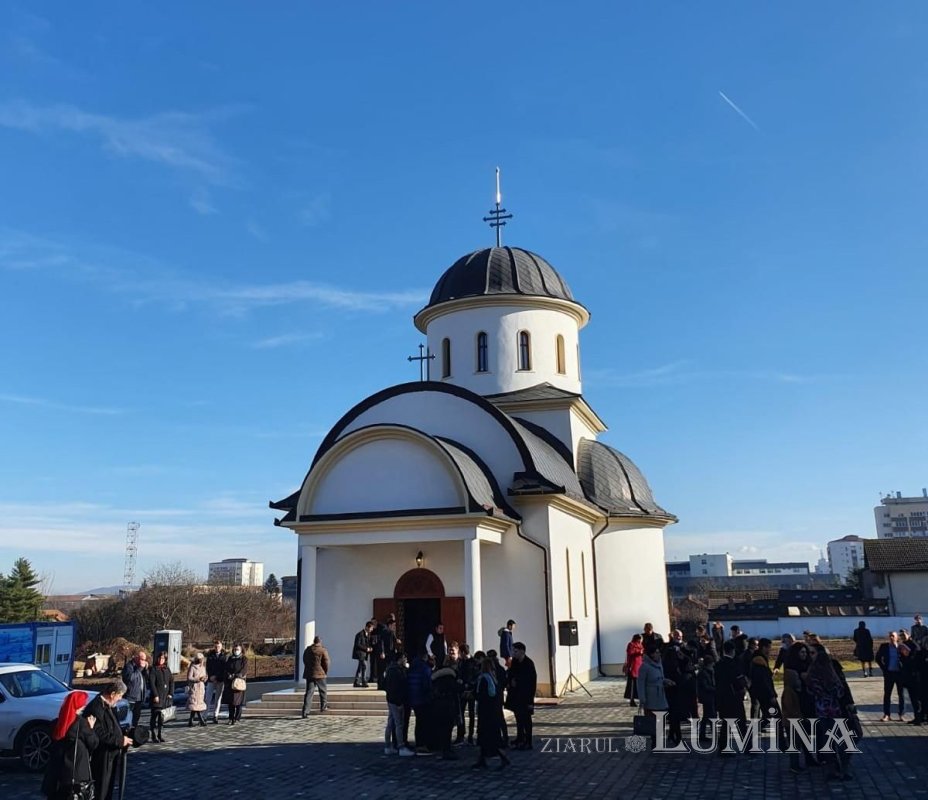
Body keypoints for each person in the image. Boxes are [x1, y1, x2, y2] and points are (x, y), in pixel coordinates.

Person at [805, 645, 854, 781]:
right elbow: (840, 692)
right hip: (835, 710)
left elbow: (811, 691)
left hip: (821, 710)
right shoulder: (832, 675)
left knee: (828, 741)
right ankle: (843, 769)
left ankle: (832, 769)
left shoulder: (812, 675)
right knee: (841, 741)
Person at [42, 690, 99, 800]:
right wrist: (91, 728)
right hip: (76, 773)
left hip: (57, 772)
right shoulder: (81, 724)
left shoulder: (56, 723)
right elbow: (94, 743)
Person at [84, 680, 133, 800]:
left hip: (111, 755)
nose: (120, 698)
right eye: (120, 695)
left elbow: (114, 726)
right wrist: (119, 741)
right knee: (102, 789)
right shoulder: (96, 708)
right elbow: (99, 733)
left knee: (109, 788)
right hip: (102, 756)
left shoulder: (109, 705)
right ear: (112, 694)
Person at [781, 642, 816, 773]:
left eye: (805, 652)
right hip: (795, 704)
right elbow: (795, 687)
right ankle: (794, 764)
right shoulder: (791, 669)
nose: (804, 655)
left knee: (806, 733)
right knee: (795, 735)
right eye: (801, 652)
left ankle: (809, 758)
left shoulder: (808, 665)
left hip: (807, 702)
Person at [473, 657, 511, 769]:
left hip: (485, 712)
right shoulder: (493, 679)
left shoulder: (483, 679)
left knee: (488, 737)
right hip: (493, 711)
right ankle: (482, 759)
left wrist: (473, 694)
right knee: (487, 737)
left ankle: (503, 758)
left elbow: (482, 695)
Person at [714, 640, 747, 756]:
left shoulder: (718, 664)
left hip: (722, 698)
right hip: (734, 697)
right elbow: (738, 680)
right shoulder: (733, 664)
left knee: (726, 724)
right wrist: (743, 689)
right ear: (732, 651)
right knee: (741, 723)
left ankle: (723, 748)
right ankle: (747, 747)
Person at [637, 643, 670, 746]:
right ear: (651, 654)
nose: (658, 654)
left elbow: (661, 678)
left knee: (663, 717)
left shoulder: (659, 664)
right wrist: (642, 699)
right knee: (653, 720)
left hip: (660, 695)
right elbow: (640, 683)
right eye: (656, 652)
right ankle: (655, 740)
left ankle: (658, 737)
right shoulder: (644, 666)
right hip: (651, 697)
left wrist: (666, 681)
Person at [383, 654, 415, 755]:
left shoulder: (389, 669)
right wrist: (399, 702)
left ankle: (388, 746)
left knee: (390, 723)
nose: (405, 660)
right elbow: (400, 686)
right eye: (404, 658)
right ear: (400, 659)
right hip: (396, 700)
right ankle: (401, 746)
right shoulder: (398, 671)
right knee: (399, 724)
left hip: (390, 699)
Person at [507, 643, 537, 750]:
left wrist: (530, 701)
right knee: (518, 718)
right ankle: (520, 737)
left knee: (526, 719)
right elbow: (511, 674)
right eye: (513, 651)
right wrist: (511, 681)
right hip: (516, 695)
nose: (513, 653)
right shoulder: (515, 662)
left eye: (515, 651)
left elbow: (531, 683)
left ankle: (528, 741)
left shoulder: (529, 664)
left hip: (525, 696)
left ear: (522, 652)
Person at [430, 653, 460, 759]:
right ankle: (447, 750)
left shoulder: (436, 676)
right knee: (447, 729)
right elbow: (454, 690)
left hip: (438, 705)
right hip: (448, 705)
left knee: (442, 729)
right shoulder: (450, 677)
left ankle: (443, 748)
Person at [876, 630, 906, 721]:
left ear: (897, 637)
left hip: (899, 674)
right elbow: (877, 658)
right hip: (889, 673)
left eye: (893, 636)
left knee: (901, 694)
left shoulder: (901, 647)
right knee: (887, 694)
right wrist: (884, 668)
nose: (891, 637)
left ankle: (901, 714)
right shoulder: (884, 647)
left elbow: (907, 658)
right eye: (890, 636)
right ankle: (886, 714)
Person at [407, 650, 433, 752]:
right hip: (422, 698)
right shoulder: (425, 668)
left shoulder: (412, 667)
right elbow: (427, 685)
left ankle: (419, 743)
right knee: (423, 722)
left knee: (419, 722)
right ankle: (422, 744)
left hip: (413, 697)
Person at [749, 638, 779, 722]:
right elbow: (764, 680)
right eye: (769, 647)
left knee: (768, 716)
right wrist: (771, 694)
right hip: (765, 694)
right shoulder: (759, 660)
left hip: (762, 693)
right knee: (775, 716)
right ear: (764, 648)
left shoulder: (759, 658)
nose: (770, 650)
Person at [148, 650, 174, 744]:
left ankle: (160, 734)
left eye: (163, 658)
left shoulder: (167, 669)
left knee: (161, 717)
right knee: (154, 716)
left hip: (165, 697)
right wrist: (155, 695)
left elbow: (171, 681)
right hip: (157, 696)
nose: (161, 660)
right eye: (160, 658)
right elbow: (152, 683)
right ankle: (153, 734)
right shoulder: (154, 669)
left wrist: (170, 693)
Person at [301, 636, 330, 718]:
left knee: (309, 693)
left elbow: (304, 660)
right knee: (323, 691)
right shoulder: (322, 650)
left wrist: (309, 668)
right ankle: (323, 707)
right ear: (320, 641)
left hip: (310, 674)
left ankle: (305, 711)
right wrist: (325, 671)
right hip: (320, 674)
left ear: (314, 641)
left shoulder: (307, 650)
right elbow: (326, 662)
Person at [121, 650, 149, 728]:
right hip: (131, 697)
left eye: (144, 660)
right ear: (136, 658)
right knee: (129, 718)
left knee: (136, 717)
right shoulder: (129, 666)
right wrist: (139, 668)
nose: (143, 662)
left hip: (140, 697)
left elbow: (147, 679)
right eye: (142, 659)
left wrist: (146, 670)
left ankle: (134, 732)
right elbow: (130, 678)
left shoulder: (141, 667)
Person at [458, 643, 478, 745]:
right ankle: (461, 734)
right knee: (460, 713)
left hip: (471, 691)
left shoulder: (473, 662)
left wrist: (469, 684)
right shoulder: (461, 662)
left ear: (462, 652)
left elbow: (476, 676)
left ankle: (470, 736)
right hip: (462, 691)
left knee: (471, 714)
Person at [223, 644, 248, 725]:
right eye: (234, 649)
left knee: (238, 702)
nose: (236, 651)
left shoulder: (244, 659)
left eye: (237, 649)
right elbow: (226, 669)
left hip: (239, 683)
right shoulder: (230, 658)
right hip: (230, 683)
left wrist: (237, 675)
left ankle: (237, 718)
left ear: (241, 650)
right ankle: (231, 717)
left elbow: (244, 670)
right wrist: (229, 675)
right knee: (231, 702)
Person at [205, 639, 227, 723]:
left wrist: (217, 677)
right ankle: (205, 715)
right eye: (215, 646)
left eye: (218, 646)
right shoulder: (210, 656)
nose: (217, 647)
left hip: (220, 680)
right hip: (211, 680)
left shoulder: (224, 656)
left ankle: (215, 715)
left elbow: (224, 669)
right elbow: (208, 667)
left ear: (221, 646)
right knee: (208, 698)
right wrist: (211, 676)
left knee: (218, 699)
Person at [696, 655, 716, 741]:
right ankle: (712, 734)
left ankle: (702, 735)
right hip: (707, 697)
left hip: (708, 696)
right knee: (711, 716)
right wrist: (715, 689)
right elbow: (705, 686)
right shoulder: (704, 673)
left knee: (707, 716)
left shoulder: (707, 672)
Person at [186, 652, 208, 727]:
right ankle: (201, 720)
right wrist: (197, 679)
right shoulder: (192, 667)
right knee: (194, 704)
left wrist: (205, 678)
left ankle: (191, 721)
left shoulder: (203, 667)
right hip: (194, 687)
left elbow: (204, 676)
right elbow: (189, 678)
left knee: (197, 705)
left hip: (201, 688)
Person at [624, 634, 644, 706]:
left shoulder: (640, 645)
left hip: (639, 665)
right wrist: (639, 652)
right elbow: (630, 653)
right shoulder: (631, 644)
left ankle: (638, 698)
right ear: (638, 639)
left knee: (638, 684)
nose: (641, 640)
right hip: (633, 666)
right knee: (632, 684)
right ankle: (631, 699)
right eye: (641, 639)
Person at [353, 622, 373, 687]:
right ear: (367, 627)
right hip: (360, 654)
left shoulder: (368, 634)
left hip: (364, 654)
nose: (371, 630)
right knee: (364, 666)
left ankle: (356, 681)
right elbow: (357, 644)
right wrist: (366, 649)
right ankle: (364, 682)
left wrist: (369, 648)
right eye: (371, 628)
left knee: (360, 667)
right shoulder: (360, 634)